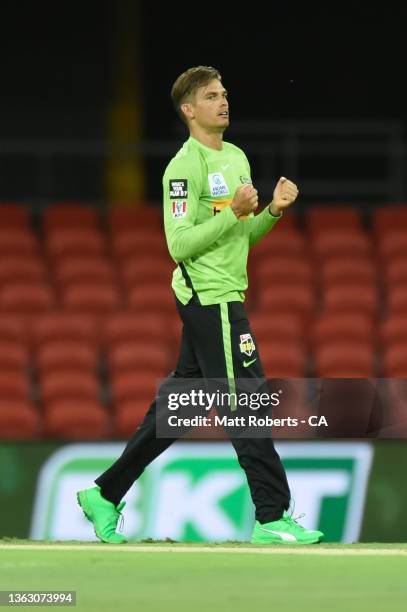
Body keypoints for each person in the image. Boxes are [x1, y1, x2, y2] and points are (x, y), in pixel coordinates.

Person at [77, 66, 324, 545]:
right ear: (189, 110)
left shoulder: (236, 157)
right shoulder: (183, 167)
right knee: (247, 403)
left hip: (225, 292)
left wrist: (271, 211)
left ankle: (105, 494)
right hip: (209, 298)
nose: (223, 101)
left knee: (181, 407)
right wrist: (232, 211)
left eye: (225, 93)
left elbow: (242, 236)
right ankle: (272, 516)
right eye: (212, 96)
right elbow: (179, 244)